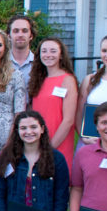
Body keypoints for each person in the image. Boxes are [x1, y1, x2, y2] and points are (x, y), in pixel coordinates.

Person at [26, 38, 80, 169]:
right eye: (44, 51)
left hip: (58, 141)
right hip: (37, 140)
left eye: (53, 51)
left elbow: (68, 120)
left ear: (61, 55)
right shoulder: (38, 80)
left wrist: (50, 147)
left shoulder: (67, 80)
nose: (48, 55)